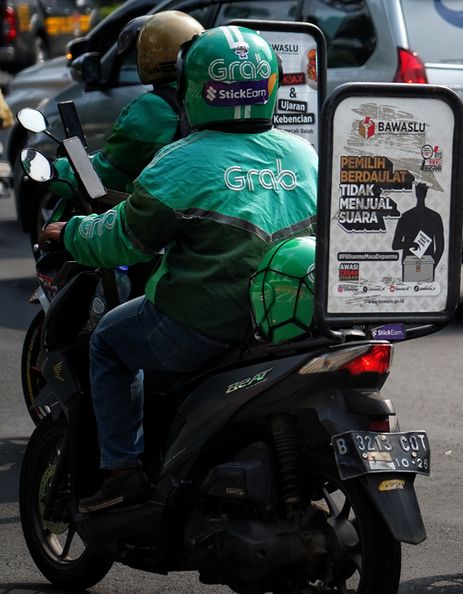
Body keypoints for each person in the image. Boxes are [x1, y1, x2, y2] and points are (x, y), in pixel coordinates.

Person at [38, 25, 319, 513]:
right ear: (269, 85)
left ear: (196, 89)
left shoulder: (180, 162)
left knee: (106, 341)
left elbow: (124, 238)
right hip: (288, 319)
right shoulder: (304, 153)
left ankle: (122, 472)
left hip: (206, 323)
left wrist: (72, 232)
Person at [50, 11, 204, 197]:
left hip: (166, 215)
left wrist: (61, 170)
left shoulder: (149, 109)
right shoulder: (212, 96)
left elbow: (105, 174)